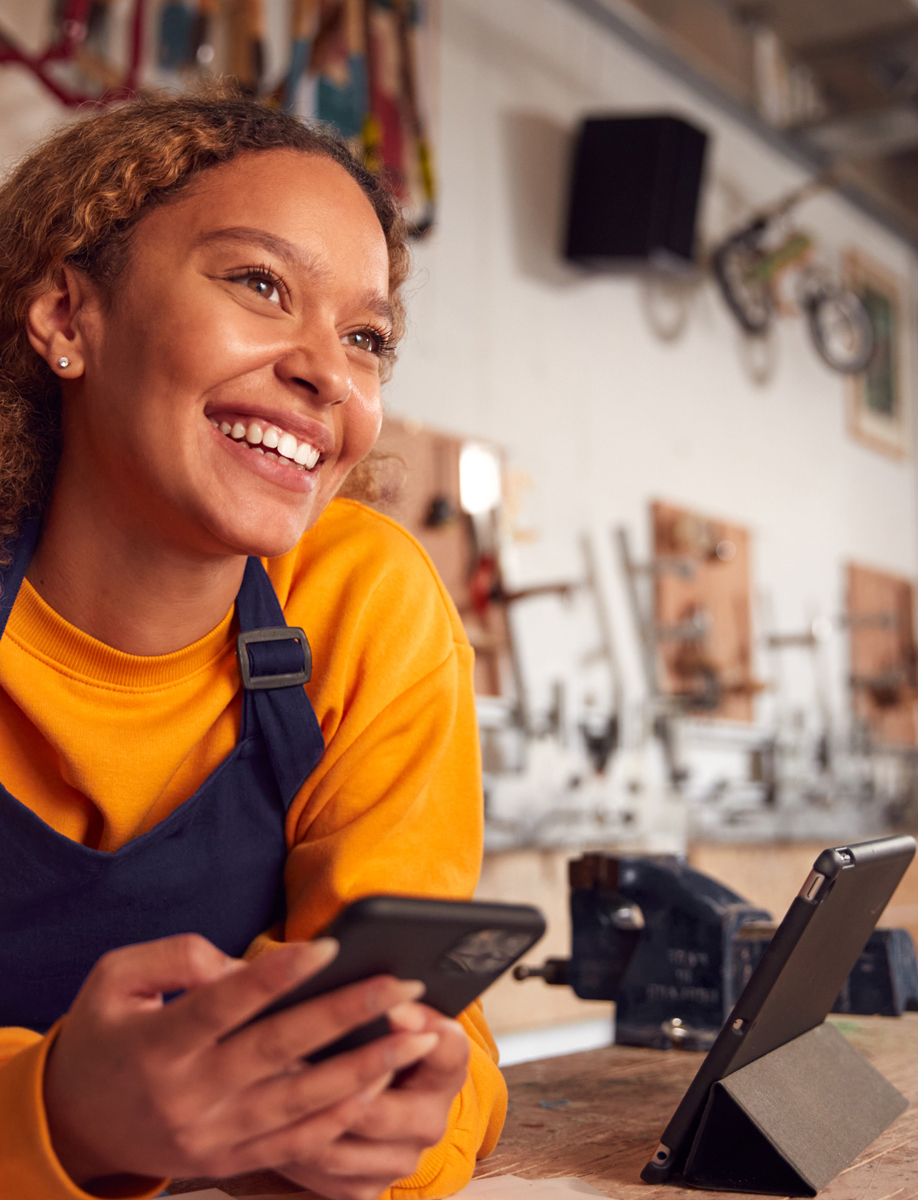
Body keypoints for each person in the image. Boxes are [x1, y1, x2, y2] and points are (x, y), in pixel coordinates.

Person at [0, 87, 504, 1199]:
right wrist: (57, 1117)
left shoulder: (364, 600)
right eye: (260, 284)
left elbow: (437, 1036)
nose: (328, 372)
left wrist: (399, 1125)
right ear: (66, 317)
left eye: (365, 337)